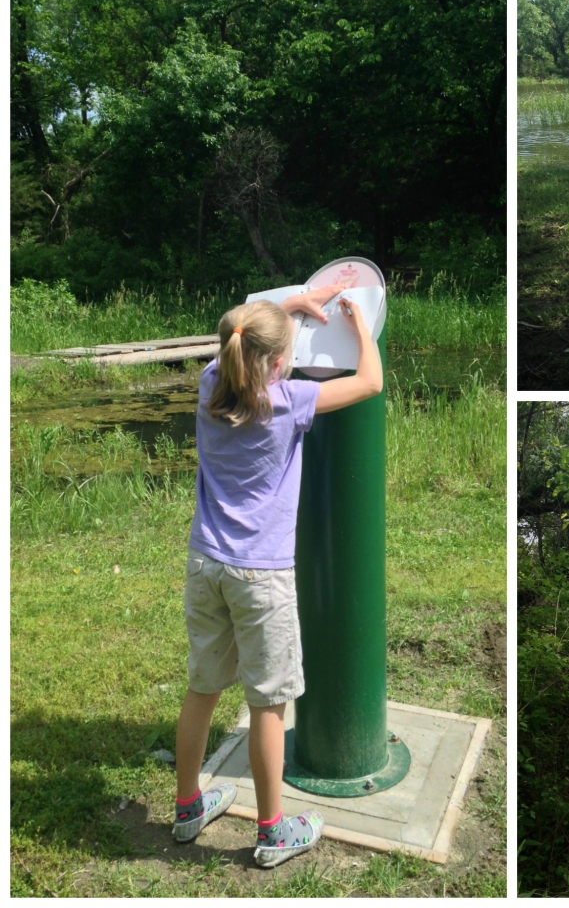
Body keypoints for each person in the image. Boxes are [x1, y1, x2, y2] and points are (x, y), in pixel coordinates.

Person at [171, 286, 382, 867]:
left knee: (203, 688)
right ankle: (272, 830)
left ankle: (188, 807)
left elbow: (244, 330)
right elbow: (369, 382)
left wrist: (296, 302)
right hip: (260, 577)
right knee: (269, 705)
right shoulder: (288, 400)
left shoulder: (212, 383)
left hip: (205, 563)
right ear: (281, 363)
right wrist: (363, 326)